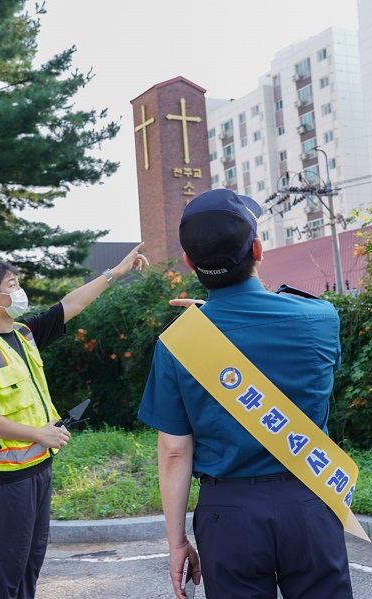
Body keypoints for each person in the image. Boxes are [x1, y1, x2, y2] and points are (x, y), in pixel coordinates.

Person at [138, 189, 353, 599]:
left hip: (229, 515)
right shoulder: (321, 319)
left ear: (189, 262)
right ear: (257, 248)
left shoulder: (180, 344)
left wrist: (177, 542)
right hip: (309, 499)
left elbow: (173, 452)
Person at [0, 244, 148, 599]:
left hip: (38, 466)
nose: (19, 291)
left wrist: (115, 273)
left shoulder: (25, 334)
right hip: (8, 475)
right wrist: (39, 434)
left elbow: (71, 304)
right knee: (8, 564)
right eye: (12, 285)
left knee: (32, 558)